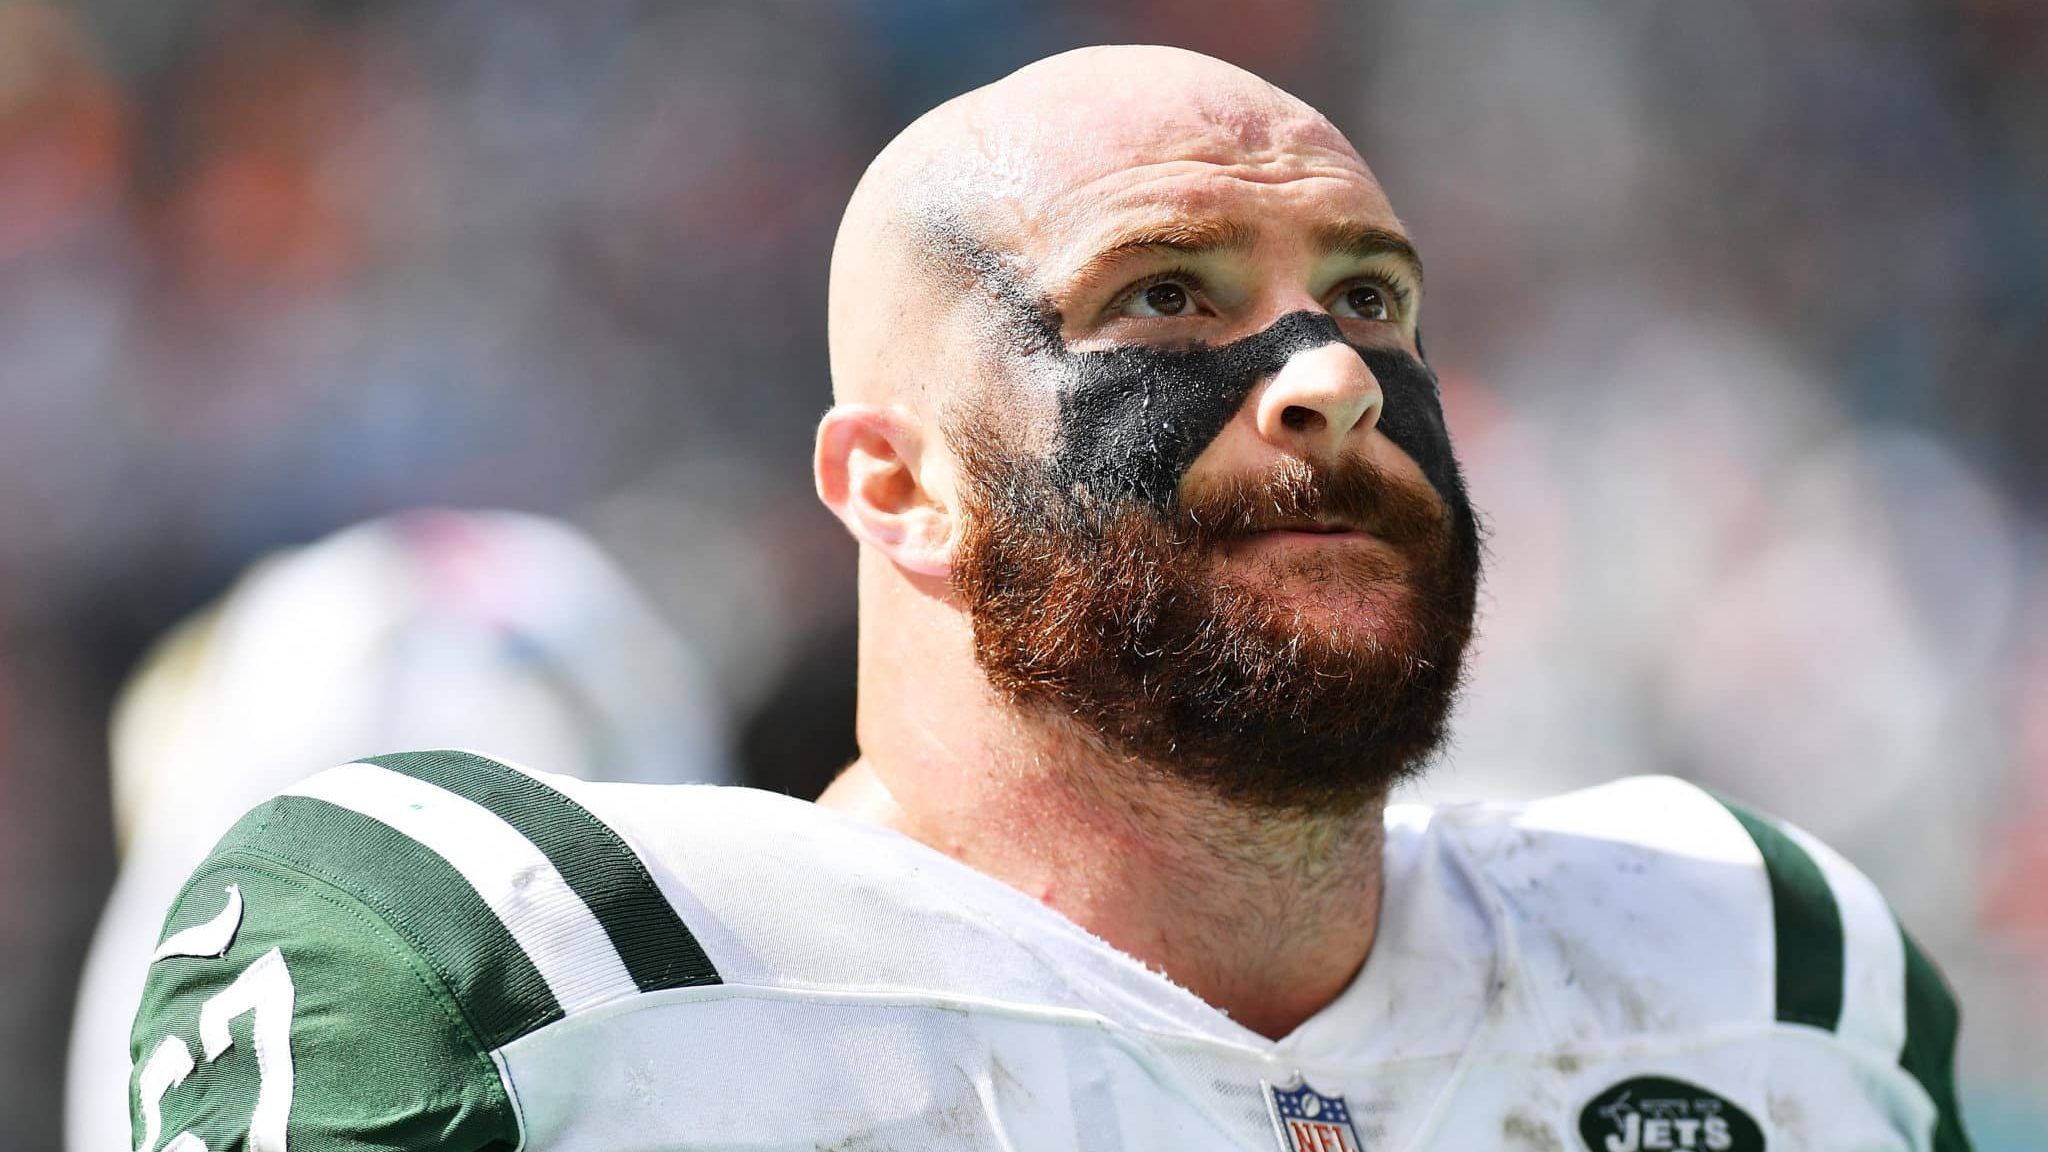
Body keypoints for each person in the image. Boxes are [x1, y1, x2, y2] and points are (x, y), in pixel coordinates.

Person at [125, 47, 1968, 1152]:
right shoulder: (543, 993)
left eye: (1375, 296)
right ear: (896, 486)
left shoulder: (1765, 981)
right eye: (1167, 295)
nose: (1329, 374)